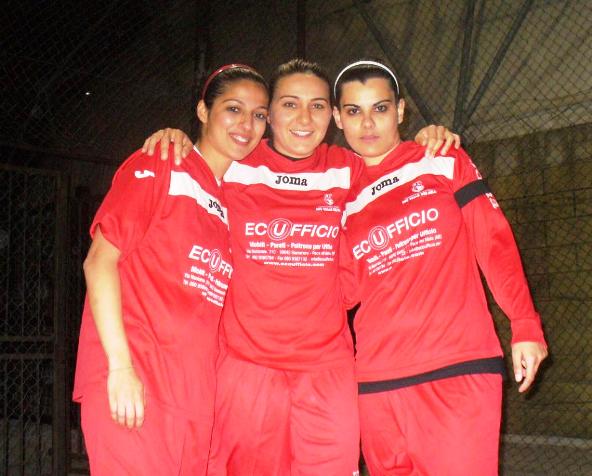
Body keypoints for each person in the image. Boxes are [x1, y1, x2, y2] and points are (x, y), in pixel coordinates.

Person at [142, 58, 460, 475]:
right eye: (290, 104)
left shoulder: (348, 168)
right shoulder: (235, 167)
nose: (304, 118)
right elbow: (200, 157)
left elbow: (394, 159)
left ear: (333, 115)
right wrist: (177, 136)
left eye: (318, 105)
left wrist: (429, 136)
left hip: (326, 371)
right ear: (269, 114)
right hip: (247, 369)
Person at [333, 59, 548, 475]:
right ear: (339, 118)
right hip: (374, 384)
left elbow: (493, 240)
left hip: (456, 369)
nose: (368, 123)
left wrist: (524, 323)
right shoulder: (340, 195)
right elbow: (342, 291)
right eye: (354, 111)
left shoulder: (440, 157)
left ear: (400, 111)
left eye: (380, 108)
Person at [72, 64, 269, 475]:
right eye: (233, 109)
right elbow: (99, 261)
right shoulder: (163, 162)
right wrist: (119, 368)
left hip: (195, 400)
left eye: (259, 114)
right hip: (136, 384)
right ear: (203, 111)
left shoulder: (234, 201)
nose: (246, 124)